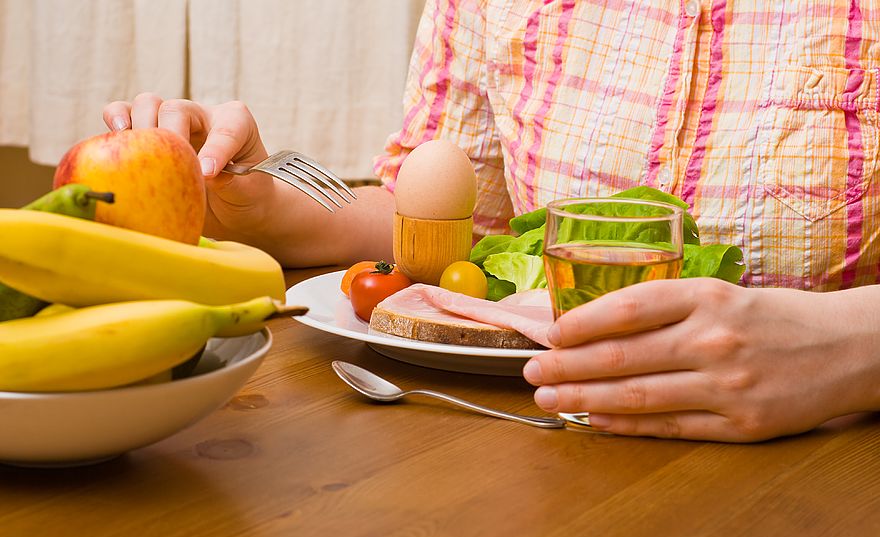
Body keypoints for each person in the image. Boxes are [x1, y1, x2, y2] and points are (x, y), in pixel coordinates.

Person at [102, 0, 880, 443]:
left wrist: (852, 343)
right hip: (540, 443)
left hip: (832, 466)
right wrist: (260, 204)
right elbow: (461, 237)